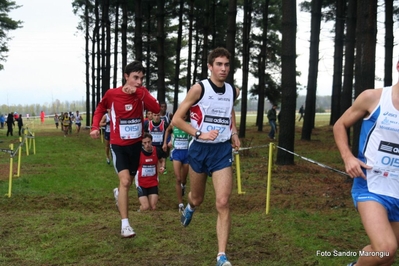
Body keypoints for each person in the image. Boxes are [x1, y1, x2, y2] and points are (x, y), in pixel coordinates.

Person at [172, 47, 240, 266]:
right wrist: (200, 133)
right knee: (197, 197)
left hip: (221, 151)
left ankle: (221, 255)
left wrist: (234, 133)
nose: (223, 69)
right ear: (210, 67)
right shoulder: (198, 89)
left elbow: (229, 110)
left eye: (226, 65)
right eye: (218, 64)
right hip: (200, 149)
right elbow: (177, 119)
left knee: (222, 201)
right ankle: (190, 207)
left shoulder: (232, 90)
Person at [333, 59, 399, 266]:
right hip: (371, 185)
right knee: (385, 248)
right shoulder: (374, 98)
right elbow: (340, 124)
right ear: (398, 66)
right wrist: (348, 157)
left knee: (386, 258)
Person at [89, 61, 160, 238]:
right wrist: (95, 126)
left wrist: (140, 93)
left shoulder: (141, 94)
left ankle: (118, 193)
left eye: (141, 79)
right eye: (135, 78)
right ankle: (125, 225)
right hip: (118, 145)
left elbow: (156, 108)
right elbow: (100, 108)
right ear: (126, 76)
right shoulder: (112, 94)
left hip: (136, 146)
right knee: (126, 181)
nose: (138, 82)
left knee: (129, 180)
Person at [163, 112, 191, 213]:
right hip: (177, 153)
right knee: (178, 178)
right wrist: (165, 143)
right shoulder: (174, 124)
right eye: (180, 117)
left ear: (186, 117)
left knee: (183, 180)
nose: (181, 119)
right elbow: (167, 130)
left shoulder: (190, 125)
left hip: (187, 153)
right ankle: (180, 204)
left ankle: (183, 186)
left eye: (183, 117)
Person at [135, 133, 165, 211]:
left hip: (153, 182)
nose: (147, 144)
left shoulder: (157, 150)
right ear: (142, 143)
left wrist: (162, 167)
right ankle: (139, 210)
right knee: (145, 207)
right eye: (145, 143)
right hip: (141, 183)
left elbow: (162, 160)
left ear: (152, 141)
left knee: (153, 207)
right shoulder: (138, 152)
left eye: (149, 142)